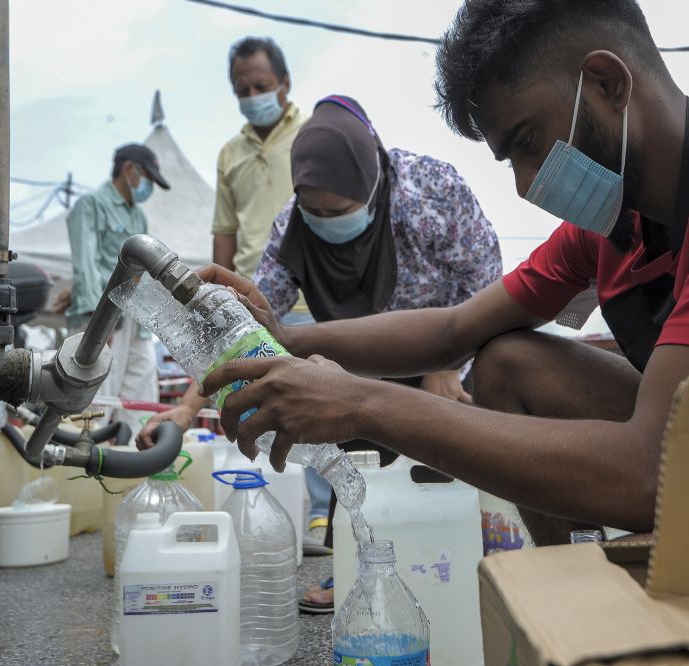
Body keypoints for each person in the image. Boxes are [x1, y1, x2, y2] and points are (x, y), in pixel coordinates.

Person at [195, 0, 689, 546]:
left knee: (644, 453)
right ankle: (576, 598)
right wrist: (283, 336)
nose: (527, 184)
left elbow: (657, 470)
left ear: (608, 82)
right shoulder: (615, 225)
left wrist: (363, 406)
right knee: (508, 361)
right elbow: (452, 330)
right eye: (510, 160)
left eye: (527, 141)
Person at [140, 95, 503, 573]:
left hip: (450, 359)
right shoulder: (291, 225)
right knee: (360, 476)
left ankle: (456, 577)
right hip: (360, 366)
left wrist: (445, 362)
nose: (330, 224)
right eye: (318, 213)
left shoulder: (429, 192)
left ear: (371, 186)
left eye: (343, 210)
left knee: (443, 483)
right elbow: (240, 326)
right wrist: (188, 409)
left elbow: (487, 276)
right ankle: (357, 576)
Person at [61, 144, 170, 430]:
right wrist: (98, 322)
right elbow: (85, 265)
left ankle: (138, 459)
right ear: (129, 169)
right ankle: (81, 464)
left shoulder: (138, 217)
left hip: (136, 320)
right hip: (102, 317)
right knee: (95, 403)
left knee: (143, 398)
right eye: (148, 178)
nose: (149, 188)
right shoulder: (91, 205)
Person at [212, 36, 307, 281]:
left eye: (261, 87)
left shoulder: (313, 134)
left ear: (285, 84)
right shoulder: (229, 154)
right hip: (249, 294)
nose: (252, 96)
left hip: (310, 297)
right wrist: (221, 291)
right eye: (243, 91)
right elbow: (225, 232)